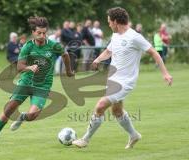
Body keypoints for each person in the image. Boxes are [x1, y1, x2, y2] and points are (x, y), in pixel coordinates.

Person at [72, 7, 173, 149]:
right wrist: (97, 60)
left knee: (100, 106)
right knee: (116, 111)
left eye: (109, 22)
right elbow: (109, 51)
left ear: (116, 22)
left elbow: (154, 53)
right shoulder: (115, 36)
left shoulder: (134, 37)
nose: (108, 24)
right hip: (113, 79)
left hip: (125, 82)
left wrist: (165, 73)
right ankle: (134, 135)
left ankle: (85, 139)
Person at [0, 17, 74, 141]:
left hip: (43, 85)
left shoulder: (54, 46)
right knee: (9, 109)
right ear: (33, 32)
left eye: (44, 33)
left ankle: (22, 117)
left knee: (32, 116)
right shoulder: (28, 46)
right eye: (39, 33)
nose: (42, 36)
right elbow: (19, 66)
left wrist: (69, 71)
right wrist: (30, 67)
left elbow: (65, 55)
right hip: (26, 82)